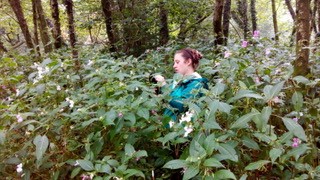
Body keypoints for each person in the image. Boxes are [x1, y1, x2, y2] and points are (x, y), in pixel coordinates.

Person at [154, 48, 208, 127]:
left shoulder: (197, 83)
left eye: (177, 62)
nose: (174, 66)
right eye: (174, 62)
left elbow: (182, 106)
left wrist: (164, 86)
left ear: (188, 62)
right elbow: (171, 103)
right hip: (169, 132)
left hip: (181, 133)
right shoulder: (178, 82)